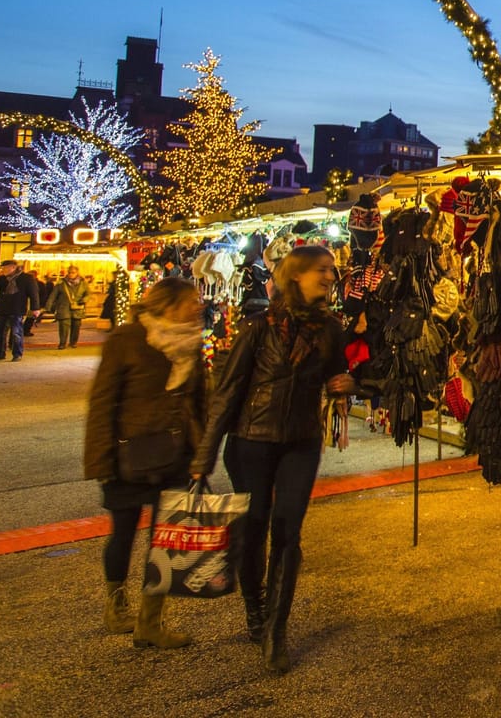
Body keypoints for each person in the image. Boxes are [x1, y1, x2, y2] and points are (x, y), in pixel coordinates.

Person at [192, 246, 354, 674]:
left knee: (288, 532)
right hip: (251, 441)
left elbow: (336, 374)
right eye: (322, 270)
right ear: (295, 276)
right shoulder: (259, 327)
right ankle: (255, 609)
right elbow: (227, 393)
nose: (330, 277)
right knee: (253, 529)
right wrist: (203, 457)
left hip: (301, 440)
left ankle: (276, 631)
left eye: (331, 271)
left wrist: (345, 384)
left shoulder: (331, 329)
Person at [82, 277, 208, 648]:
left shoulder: (193, 343)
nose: (198, 306)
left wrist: (201, 453)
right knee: (122, 533)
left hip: (175, 455)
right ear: (168, 303)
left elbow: (198, 403)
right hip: (129, 456)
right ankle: (116, 605)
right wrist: (100, 460)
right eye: (191, 300)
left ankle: (149, 622)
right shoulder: (128, 339)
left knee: (165, 540)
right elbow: (103, 401)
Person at [0, 261, 40, 362]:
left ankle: (17, 353)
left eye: (5, 268)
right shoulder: (2, 278)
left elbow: (33, 294)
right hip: (2, 309)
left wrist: (35, 308)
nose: (3, 270)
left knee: (16, 332)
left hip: (17, 309)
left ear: (13, 267)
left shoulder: (26, 278)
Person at [52, 267, 90, 348]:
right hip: (64, 307)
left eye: (73, 272)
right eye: (69, 272)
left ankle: (73, 342)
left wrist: (84, 300)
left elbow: (88, 294)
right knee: (63, 326)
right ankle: (62, 343)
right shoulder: (61, 283)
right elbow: (53, 295)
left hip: (77, 308)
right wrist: (47, 307)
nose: (71, 274)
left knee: (76, 326)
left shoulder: (83, 283)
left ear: (77, 273)